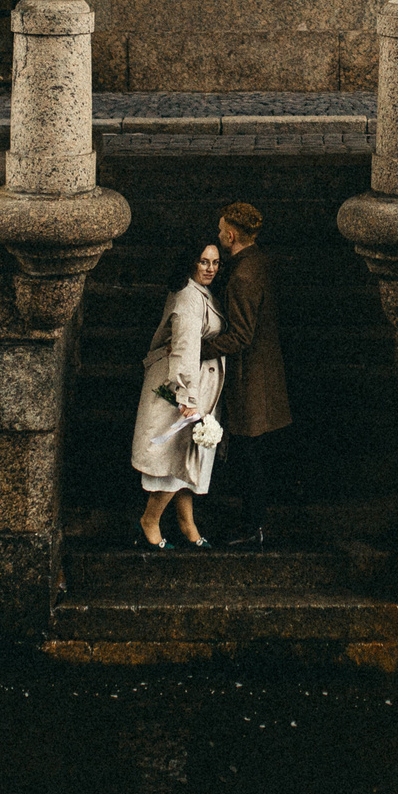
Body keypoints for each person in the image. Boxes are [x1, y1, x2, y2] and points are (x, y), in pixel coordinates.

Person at [200, 199, 289, 549]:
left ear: (232, 235)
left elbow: (240, 335)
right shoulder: (257, 261)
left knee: (248, 455)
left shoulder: (241, 275)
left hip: (251, 379)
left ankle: (253, 528)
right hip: (264, 372)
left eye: (222, 230)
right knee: (251, 455)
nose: (219, 234)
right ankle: (253, 524)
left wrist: (199, 349)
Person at [131, 239, 223, 548]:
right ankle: (150, 520)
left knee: (186, 458)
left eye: (215, 262)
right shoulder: (188, 295)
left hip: (194, 385)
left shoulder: (199, 292)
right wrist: (187, 398)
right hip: (178, 389)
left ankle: (187, 525)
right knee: (175, 459)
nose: (209, 268)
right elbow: (184, 347)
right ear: (191, 262)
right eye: (203, 261)